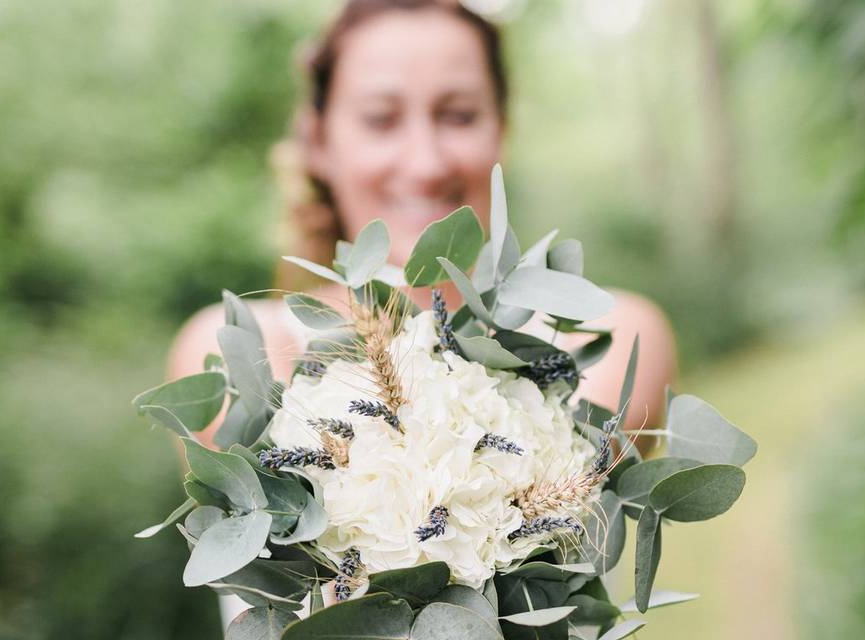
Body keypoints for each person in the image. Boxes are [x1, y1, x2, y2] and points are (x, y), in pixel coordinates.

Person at [169, 0, 676, 455]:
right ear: (319, 142)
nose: (426, 163)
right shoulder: (239, 353)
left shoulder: (612, 338)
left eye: (458, 115)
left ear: (501, 130)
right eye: (381, 119)